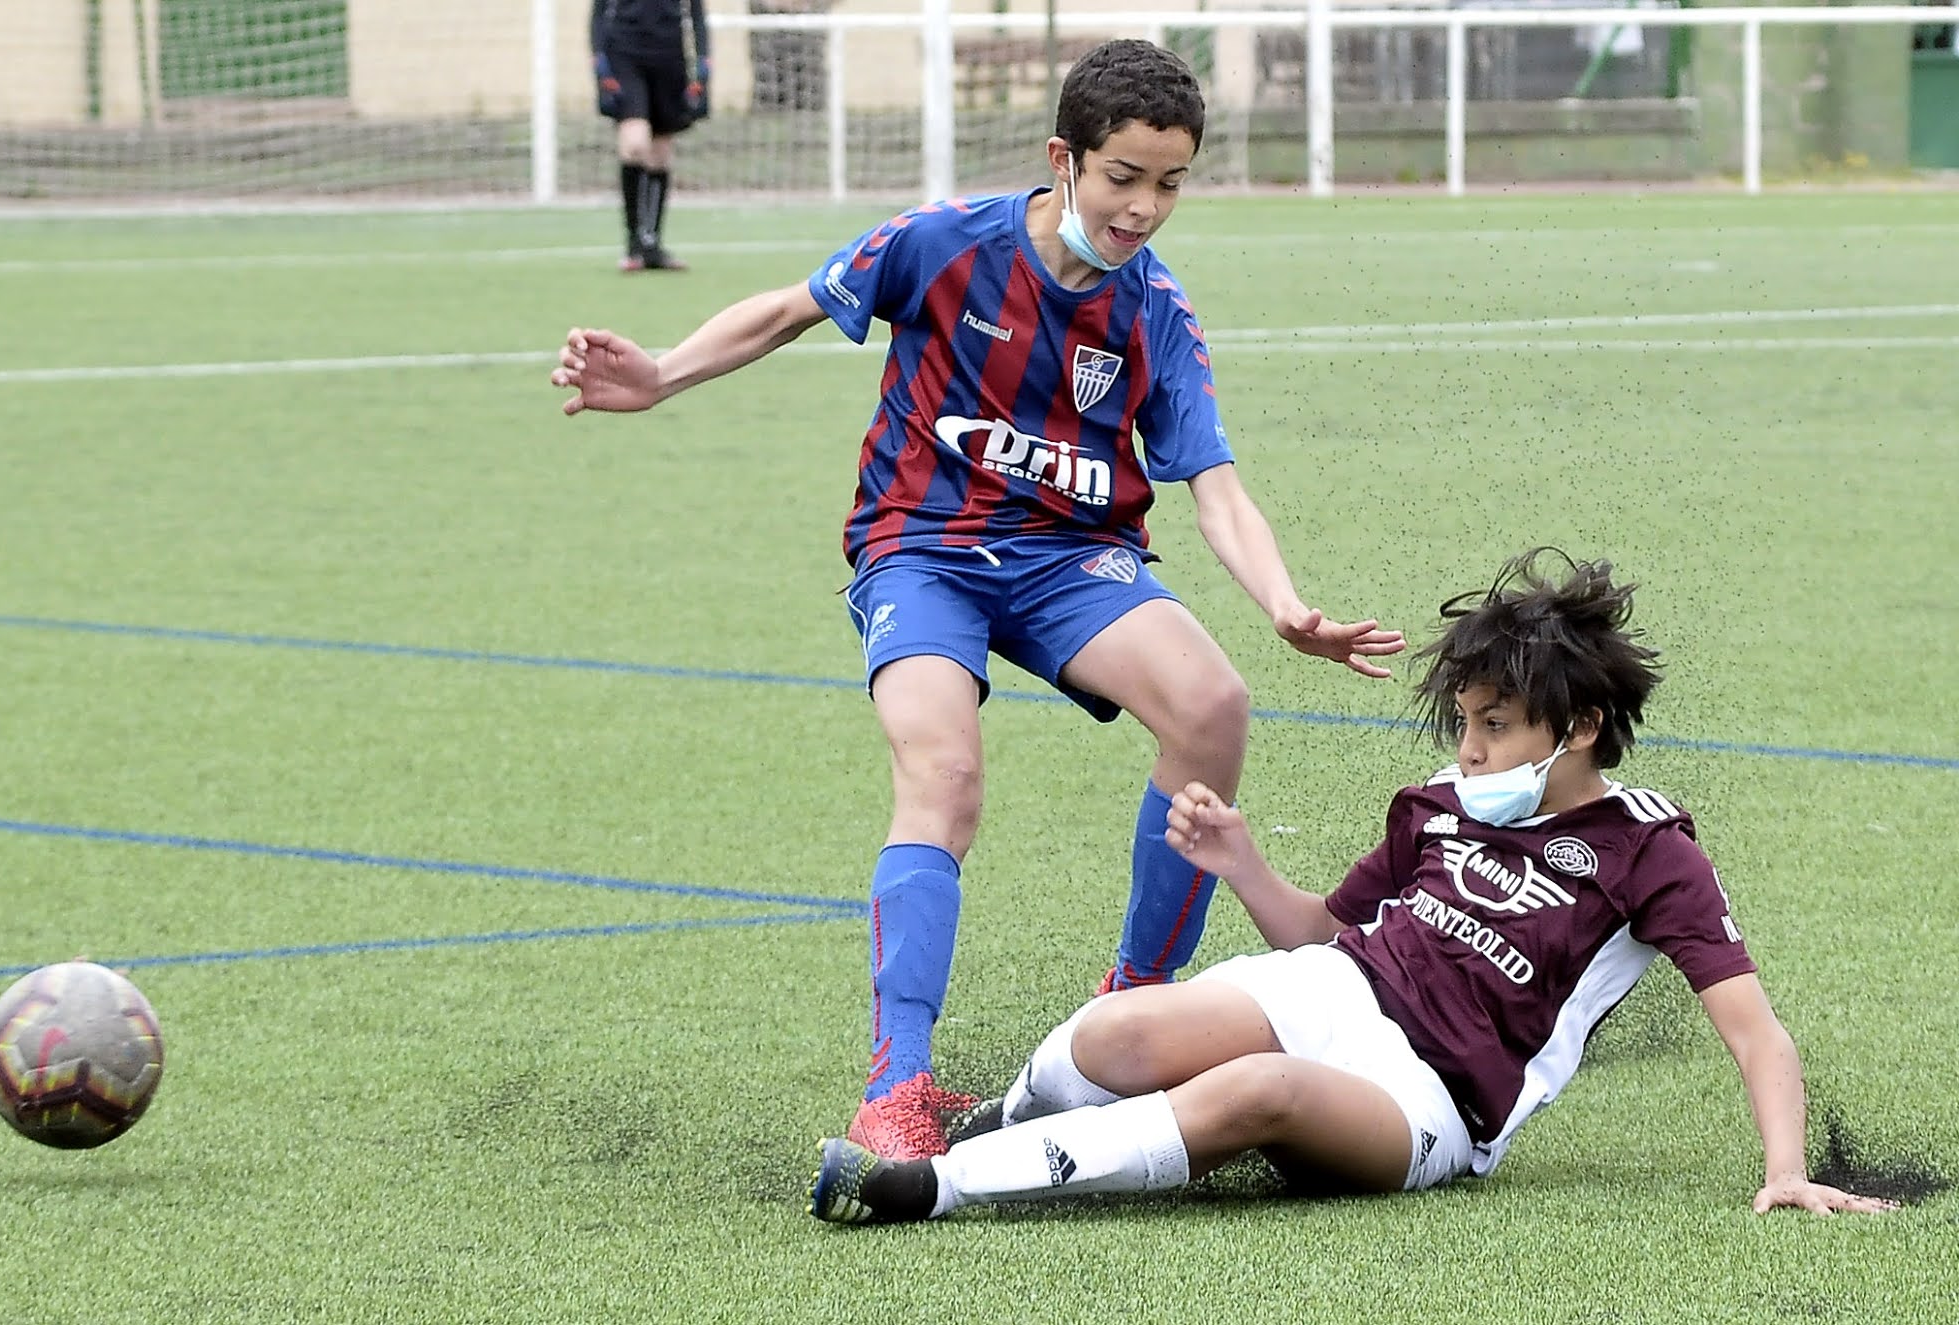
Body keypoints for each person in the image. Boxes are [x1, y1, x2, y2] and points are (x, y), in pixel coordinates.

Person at [551, 38, 1404, 1161]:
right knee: (943, 778)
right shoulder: (942, 243)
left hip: (1067, 557)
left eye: (1170, 184)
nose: (1143, 209)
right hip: (921, 547)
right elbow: (789, 309)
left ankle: (1130, 1019)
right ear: (1063, 159)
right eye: (1122, 177)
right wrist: (662, 373)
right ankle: (896, 1086)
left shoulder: (1155, 311)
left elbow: (1217, 488)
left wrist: (1285, 605)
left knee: (1213, 706)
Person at [809, 550, 1900, 1223]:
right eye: (1463, 722)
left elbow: (1754, 1031)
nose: (1467, 749)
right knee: (1114, 1033)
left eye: (1493, 725)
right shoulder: (1435, 802)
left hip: (1431, 1095)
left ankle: (934, 1188)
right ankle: (999, 1120)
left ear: (1577, 728)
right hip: (1332, 986)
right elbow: (1321, 929)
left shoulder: (1650, 850)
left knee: (1260, 1089)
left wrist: (1786, 1168)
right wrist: (1242, 863)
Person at [592, 0, 709, 271]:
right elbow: (598, 12)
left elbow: (697, 12)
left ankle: (651, 245)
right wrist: (597, 57)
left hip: (670, 56)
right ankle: (634, 244)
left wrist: (704, 60)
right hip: (624, 52)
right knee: (635, 144)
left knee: (660, 154)